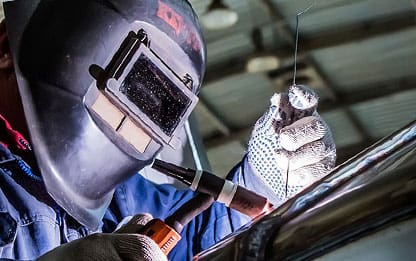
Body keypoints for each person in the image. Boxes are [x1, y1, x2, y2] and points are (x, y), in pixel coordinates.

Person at [0, 0, 336, 260]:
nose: (130, 119)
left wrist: (265, 178)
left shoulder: (118, 193)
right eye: (135, 86)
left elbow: (198, 238)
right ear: (5, 49)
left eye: (158, 102)